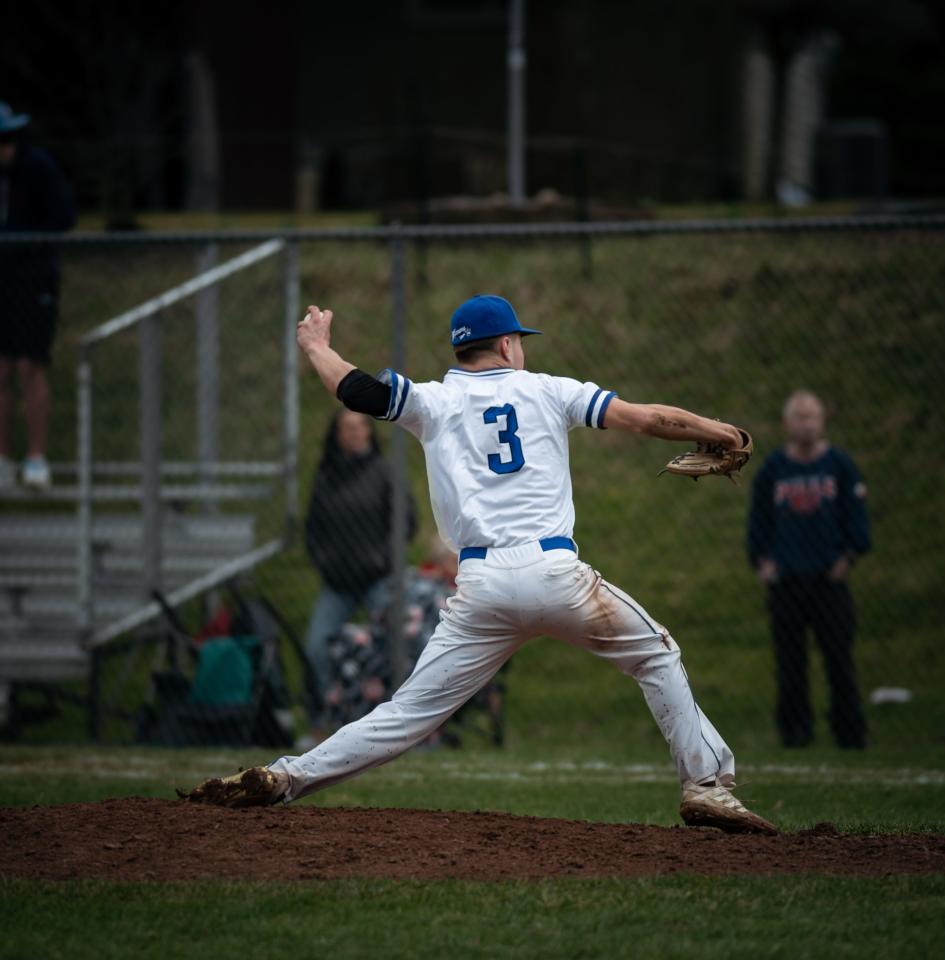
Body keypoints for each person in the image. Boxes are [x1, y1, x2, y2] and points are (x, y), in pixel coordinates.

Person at [180, 294, 777, 835]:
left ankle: (286, 777)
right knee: (657, 653)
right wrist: (716, 429)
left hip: (481, 587)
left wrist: (317, 346)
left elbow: (355, 391)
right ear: (509, 345)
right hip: (555, 575)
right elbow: (646, 418)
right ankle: (705, 785)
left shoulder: (432, 401)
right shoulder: (548, 389)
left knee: (408, 713)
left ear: (462, 348)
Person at [747, 390, 870, 749]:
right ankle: (795, 734)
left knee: (838, 658)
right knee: (790, 663)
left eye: (813, 416)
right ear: (787, 424)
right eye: (800, 417)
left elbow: (856, 518)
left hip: (828, 579)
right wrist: (762, 562)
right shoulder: (774, 470)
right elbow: (759, 522)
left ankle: (849, 734)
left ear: (823, 421)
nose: (807, 424)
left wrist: (848, 557)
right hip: (786, 580)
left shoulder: (839, 466)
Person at [301, 408, 416, 739]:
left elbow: (405, 521)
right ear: (336, 435)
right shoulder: (327, 476)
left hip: (380, 580)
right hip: (338, 584)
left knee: (393, 648)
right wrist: (326, 563)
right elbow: (313, 530)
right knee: (318, 648)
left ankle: (393, 725)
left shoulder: (383, 473)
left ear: (369, 432)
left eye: (358, 426)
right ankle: (324, 722)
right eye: (345, 428)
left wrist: (383, 558)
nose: (352, 433)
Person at [0, 102, 76, 491]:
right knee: (3, 369)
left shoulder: (37, 168)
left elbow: (64, 216)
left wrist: (24, 248)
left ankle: (35, 457)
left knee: (30, 367)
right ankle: (3, 458)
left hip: (33, 281)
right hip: (3, 284)